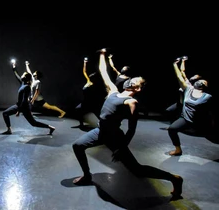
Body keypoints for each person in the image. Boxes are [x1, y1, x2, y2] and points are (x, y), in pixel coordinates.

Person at [71, 48, 183, 199]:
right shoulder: (113, 90)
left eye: (135, 80)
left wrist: (121, 147)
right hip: (100, 131)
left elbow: (131, 130)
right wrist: (102, 55)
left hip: (115, 137)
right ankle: (87, 176)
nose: (130, 80)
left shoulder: (131, 102)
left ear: (138, 88)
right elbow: (103, 71)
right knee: (77, 146)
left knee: (137, 170)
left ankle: (174, 178)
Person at [165, 57, 215, 156]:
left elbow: (210, 110)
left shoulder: (207, 97)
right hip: (185, 119)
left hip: (198, 121)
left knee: (213, 138)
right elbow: (180, 76)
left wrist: (211, 121)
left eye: (204, 82)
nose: (201, 81)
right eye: (201, 80)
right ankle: (178, 149)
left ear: (205, 87)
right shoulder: (188, 89)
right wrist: (175, 64)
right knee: (172, 129)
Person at [0, 70, 55, 135]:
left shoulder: (27, 87)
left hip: (24, 107)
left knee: (33, 123)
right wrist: (14, 69)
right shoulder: (23, 83)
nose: (21, 76)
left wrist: (19, 110)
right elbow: (18, 77)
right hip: (20, 105)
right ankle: (9, 130)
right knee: (5, 113)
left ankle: (50, 127)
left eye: (23, 75)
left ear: (25, 78)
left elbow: (24, 100)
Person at [73, 57, 103, 128]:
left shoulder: (95, 85)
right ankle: (81, 124)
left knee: (97, 114)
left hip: (91, 102)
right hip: (85, 102)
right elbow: (84, 72)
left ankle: (104, 125)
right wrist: (85, 63)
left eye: (91, 77)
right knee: (78, 110)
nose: (89, 78)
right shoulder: (88, 81)